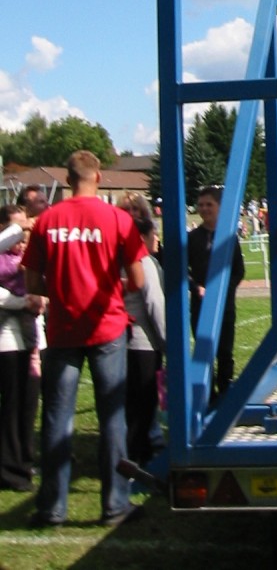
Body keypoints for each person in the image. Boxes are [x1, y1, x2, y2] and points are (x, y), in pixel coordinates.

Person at [22, 150, 147, 528]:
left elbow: (31, 282)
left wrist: (60, 291)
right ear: (98, 177)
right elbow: (138, 281)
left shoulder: (47, 220)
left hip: (63, 328)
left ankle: (52, 509)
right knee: (112, 419)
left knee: (58, 418)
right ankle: (114, 505)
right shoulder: (116, 219)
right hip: (107, 326)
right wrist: (112, 288)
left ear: (67, 180)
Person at [0, 205, 46, 491]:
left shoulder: (27, 258)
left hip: (33, 340)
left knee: (29, 404)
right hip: (7, 340)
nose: (24, 233)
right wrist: (23, 302)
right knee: (13, 405)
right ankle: (10, 470)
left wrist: (41, 299)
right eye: (18, 228)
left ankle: (25, 461)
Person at [187, 185, 244, 401]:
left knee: (225, 352)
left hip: (225, 305)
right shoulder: (192, 238)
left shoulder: (229, 237)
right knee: (204, 353)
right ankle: (206, 395)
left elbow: (239, 270)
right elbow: (185, 271)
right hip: (200, 305)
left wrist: (223, 290)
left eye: (209, 204)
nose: (204, 209)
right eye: (200, 205)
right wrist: (197, 288)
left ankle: (225, 394)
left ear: (219, 207)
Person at [123, 216, 166, 465]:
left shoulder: (118, 259)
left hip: (122, 341)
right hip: (144, 342)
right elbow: (154, 304)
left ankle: (133, 453)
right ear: (143, 238)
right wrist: (167, 342)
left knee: (130, 404)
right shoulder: (144, 262)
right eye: (153, 234)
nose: (157, 239)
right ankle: (139, 457)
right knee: (144, 404)